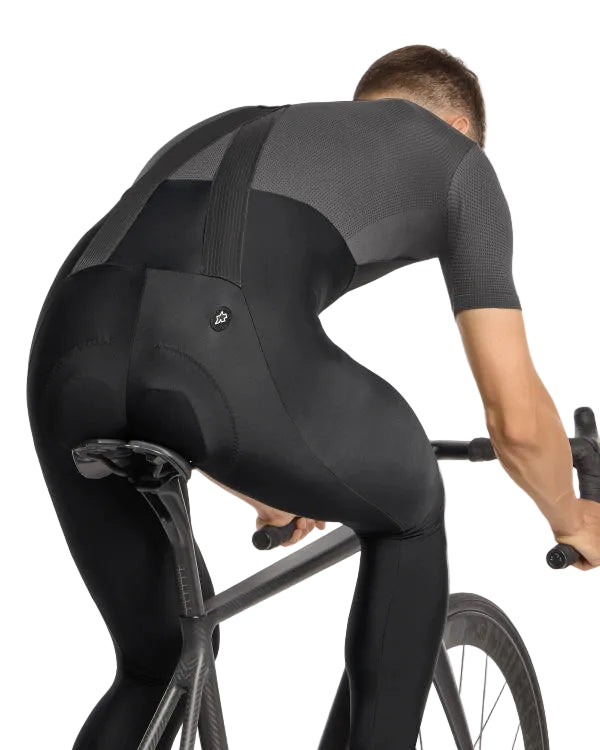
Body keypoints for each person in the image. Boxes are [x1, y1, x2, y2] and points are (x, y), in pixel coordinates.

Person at [26, 44, 600, 750]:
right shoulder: (458, 161)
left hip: (65, 351)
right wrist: (572, 516)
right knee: (410, 508)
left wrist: (260, 477)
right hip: (217, 348)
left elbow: (155, 337)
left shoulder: (231, 127)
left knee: (157, 658)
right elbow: (516, 421)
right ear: (457, 127)